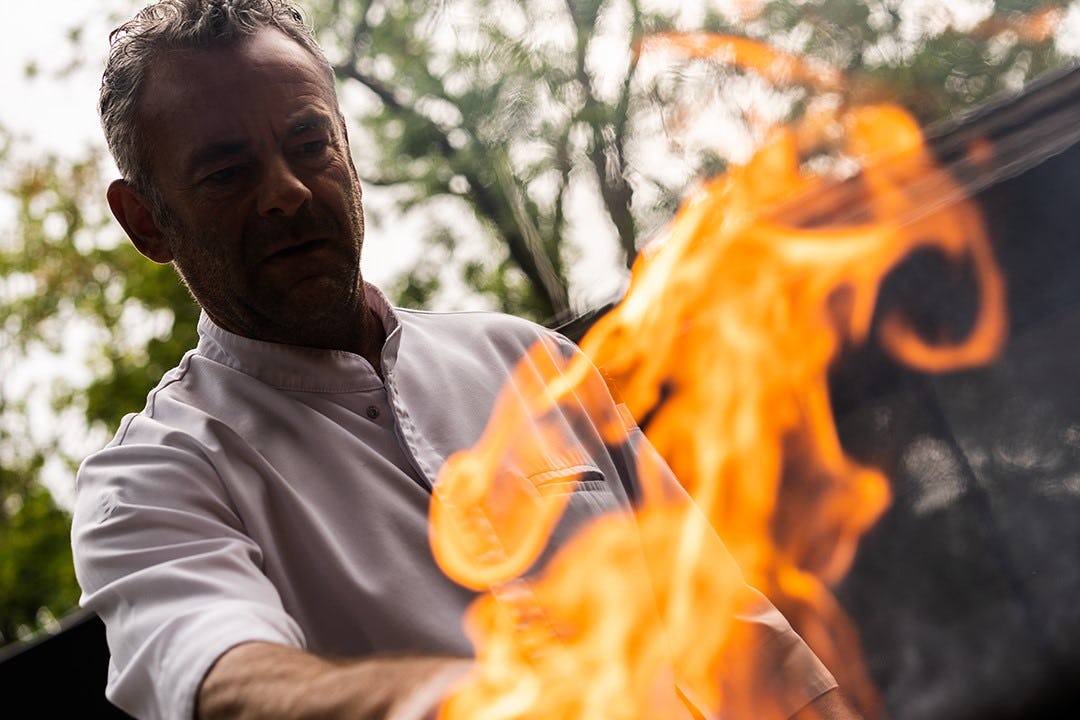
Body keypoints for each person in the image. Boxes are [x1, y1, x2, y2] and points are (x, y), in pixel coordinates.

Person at [71, 1, 860, 719]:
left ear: (346, 148)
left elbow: (730, 620)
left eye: (309, 143)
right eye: (227, 172)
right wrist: (481, 702)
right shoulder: (150, 483)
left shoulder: (527, 360)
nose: (286, 191)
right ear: (146, 221)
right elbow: (227, 685)